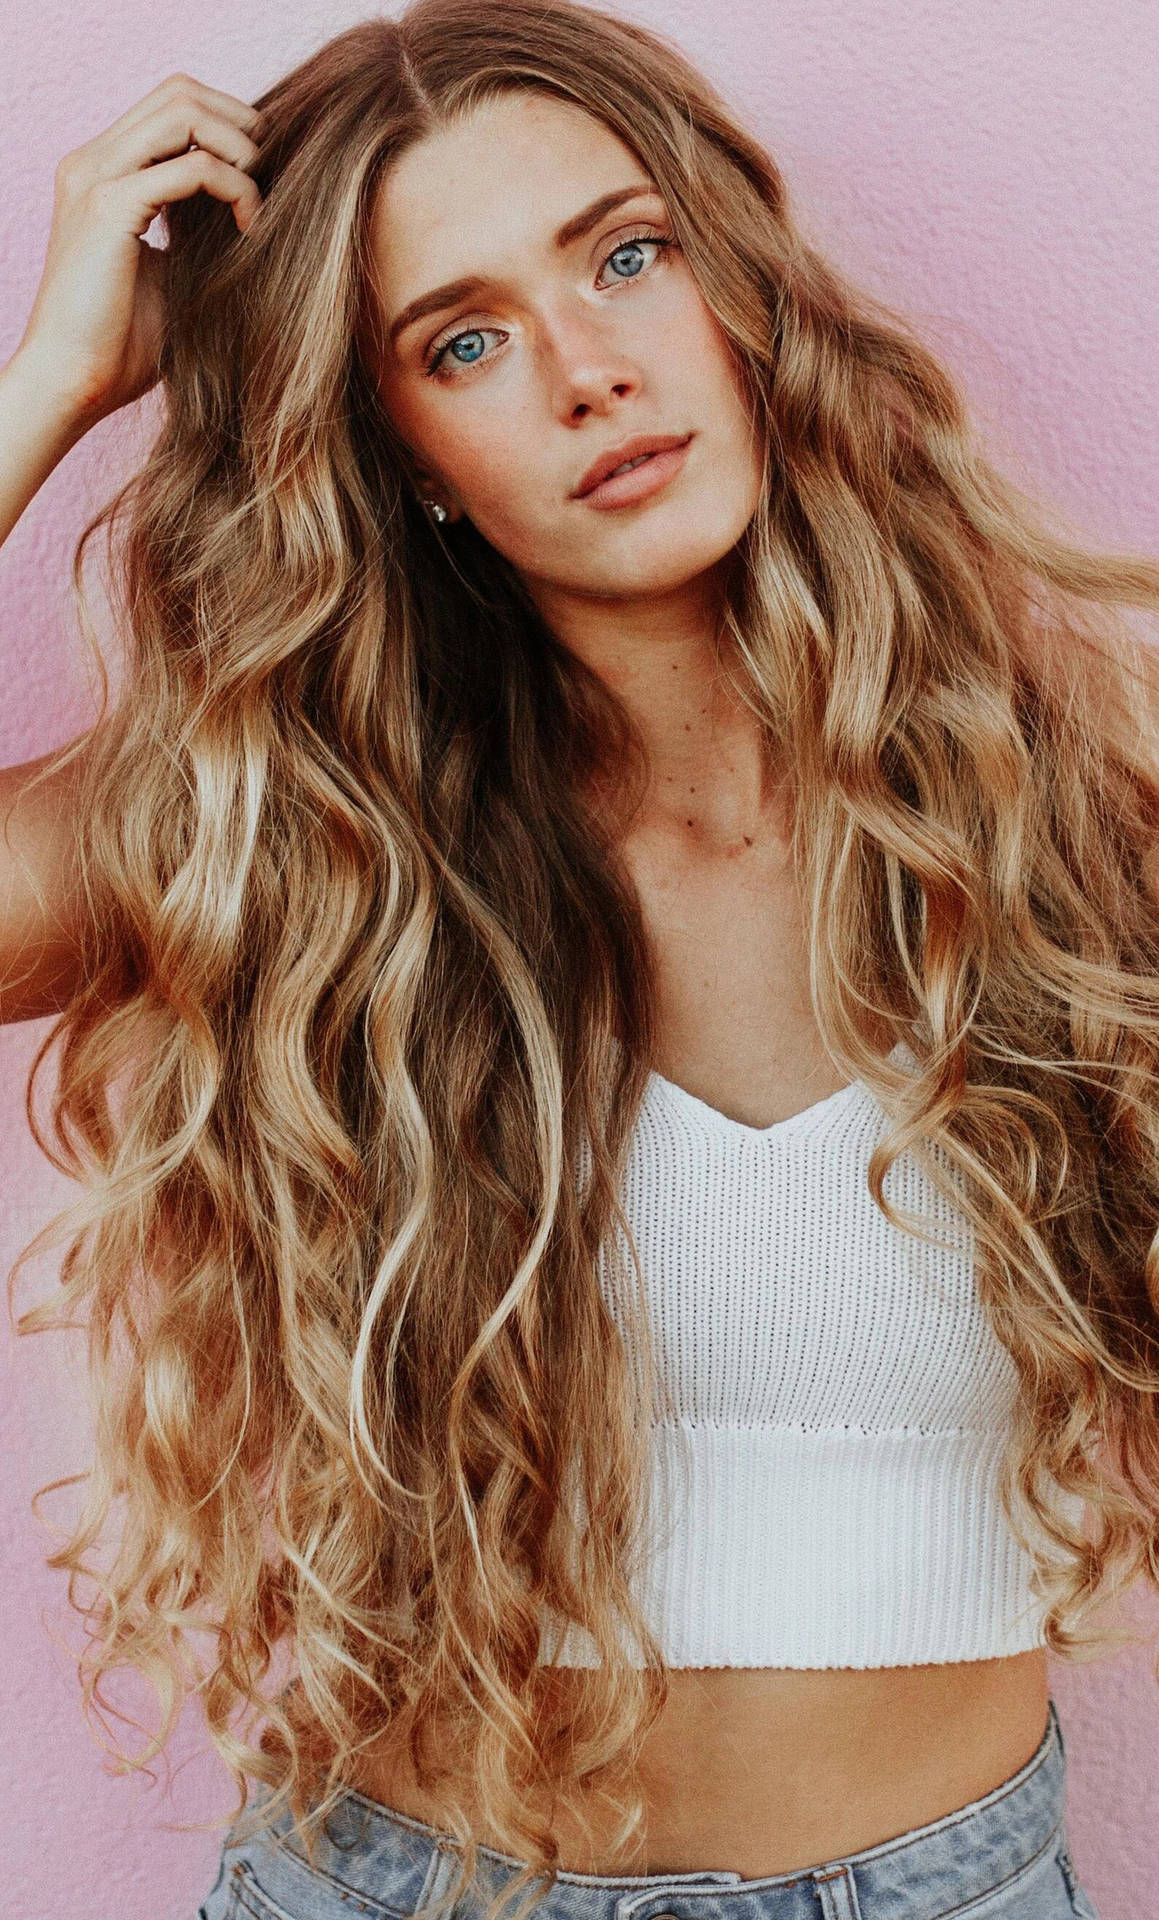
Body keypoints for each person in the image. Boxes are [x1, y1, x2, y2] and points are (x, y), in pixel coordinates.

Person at [2, 1, 1151, 1914]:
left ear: (743, 288)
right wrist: (46, 376)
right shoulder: (285, 842)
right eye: (463, 341)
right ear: (406, 454)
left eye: (628, 257)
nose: (590, 372)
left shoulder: (1076, 797)